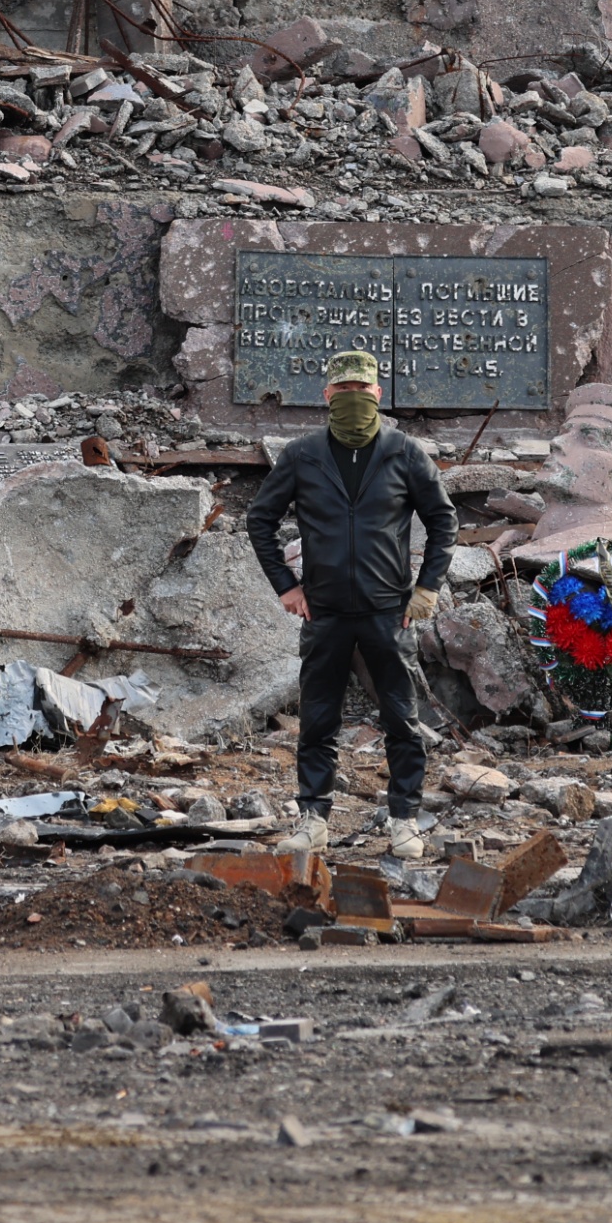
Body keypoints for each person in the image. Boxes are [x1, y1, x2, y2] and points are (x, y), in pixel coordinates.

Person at [245, 348, 454, 855]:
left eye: (363, 391)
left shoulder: (405, 453)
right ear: (328, 396)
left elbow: (444, 520)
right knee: (318, 719)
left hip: (389, 611)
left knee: (402, 720)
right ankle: (313, 818)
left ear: (378, 394)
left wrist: (427, 588)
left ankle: (404, 819)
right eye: (344, 391)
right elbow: (260, 520)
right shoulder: (302, 455)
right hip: (326, 612)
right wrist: (286, 587)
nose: (354, 399)